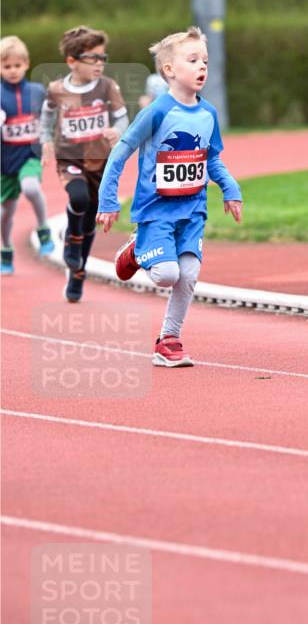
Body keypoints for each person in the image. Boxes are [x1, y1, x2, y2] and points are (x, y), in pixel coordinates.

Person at [96, 27, 243, 368]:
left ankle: (169, 340)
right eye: (192, 60)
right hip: (156, 210)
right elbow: (121, 151)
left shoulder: (208, 114)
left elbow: (212, 158)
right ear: (169, 71)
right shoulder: (158, 111)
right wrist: (108, 200)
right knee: (166, 274)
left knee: (188, 274)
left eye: (204, 60)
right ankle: (137, 248)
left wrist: (230, 188)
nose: (201, 67)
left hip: (192, 210)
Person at [40, 26, 128, 302]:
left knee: (90, 218)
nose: (100, 64)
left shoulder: (108, 87)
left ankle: (78, 272)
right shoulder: (56, 90)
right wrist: (45, 140)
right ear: (72, 61)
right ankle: (70, 238)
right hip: (70, 158)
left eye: (103, 57)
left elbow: (123, 118)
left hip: (100, 162)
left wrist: (118, 131)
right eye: (93, 58)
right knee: (77, 198)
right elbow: (46, 120)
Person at [1, 36, 54, 275]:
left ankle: (44, 230)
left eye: (17, 65)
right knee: (5, 213)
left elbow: (49, 118)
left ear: (26, 64)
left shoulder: (37, 91)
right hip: (5, 161)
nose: (12, 71)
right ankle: (6, 250)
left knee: (31, 187)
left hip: (29, 155)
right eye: (6, 66)